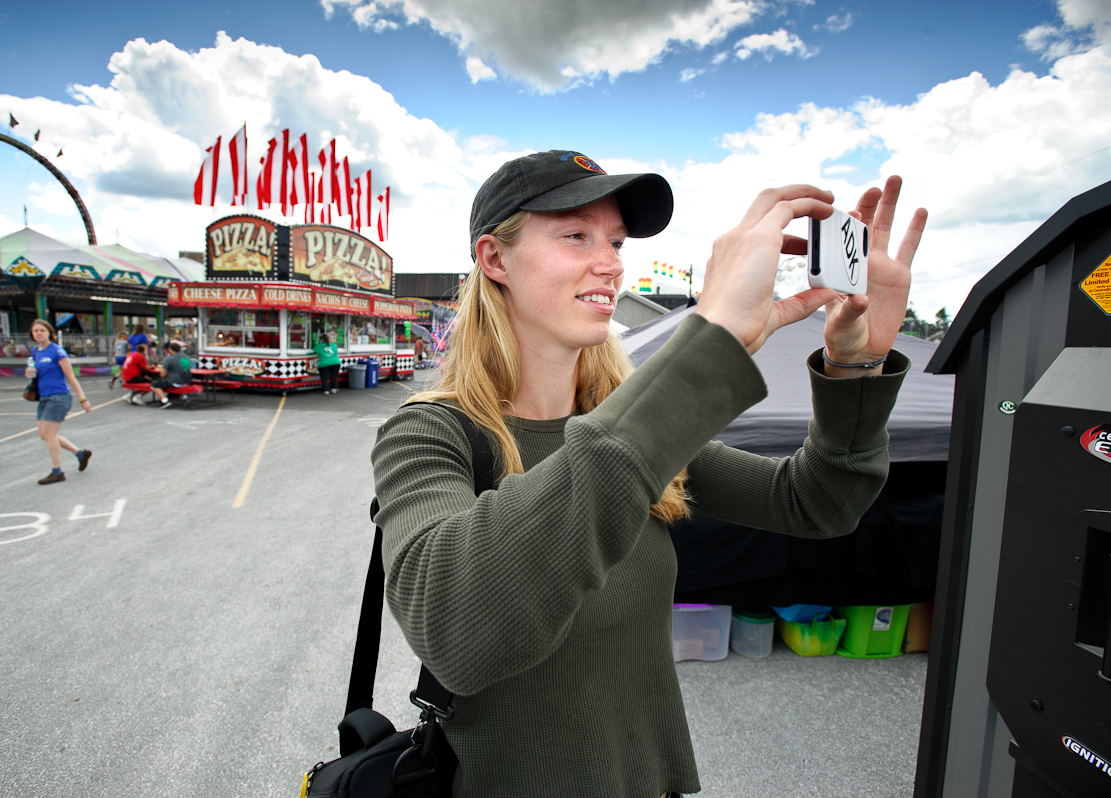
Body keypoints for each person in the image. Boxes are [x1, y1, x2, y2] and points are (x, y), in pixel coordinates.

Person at [371, 150, 928, 797]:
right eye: (575, 235)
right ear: (495, 259)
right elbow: (454, 630)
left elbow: (817, 503)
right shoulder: (431, 431)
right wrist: (711, 334)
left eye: (613, 240)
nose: (608, 262)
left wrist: (853, 369)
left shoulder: (636, 426)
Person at [26, 318, 92, 484]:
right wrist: (30, 374)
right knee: (45, 435)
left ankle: (57, 471)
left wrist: (83, 399)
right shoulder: (35, 352)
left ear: (49, 333)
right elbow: (37, 373)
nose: (38, 333)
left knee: (49, 434)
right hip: (44, 397)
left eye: (42, 330)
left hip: (59, 397)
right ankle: (80, 454)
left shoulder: (57, 352)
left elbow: (71, 377)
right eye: (35, 331)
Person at [150, 341, 192, 408]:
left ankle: (164, 401)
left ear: (169, 349)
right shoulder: (187, 357)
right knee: (178, 380)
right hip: (187, 381)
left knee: (155, 384)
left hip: (175, 382)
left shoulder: (169, 359)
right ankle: (184, 398)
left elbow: (162, 375)